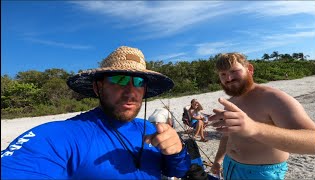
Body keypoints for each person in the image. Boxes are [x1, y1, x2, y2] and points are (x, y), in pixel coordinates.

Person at [1, 46, 191, 179]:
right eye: (121, 80)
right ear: (97, 87)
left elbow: (179, 171)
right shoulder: (62, 135)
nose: (131, 91)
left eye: (139, 82)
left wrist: (177, 152)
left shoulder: (150, 129)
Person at [209, 53, 315, 180]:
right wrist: (218, 159)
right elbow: (227, 135)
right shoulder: (231, 102)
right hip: (230, 165)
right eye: (223, 74)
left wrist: (255, 128)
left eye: (234, 71)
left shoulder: (272, 98)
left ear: (249, 69)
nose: (228, 78)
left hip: (260, 173)